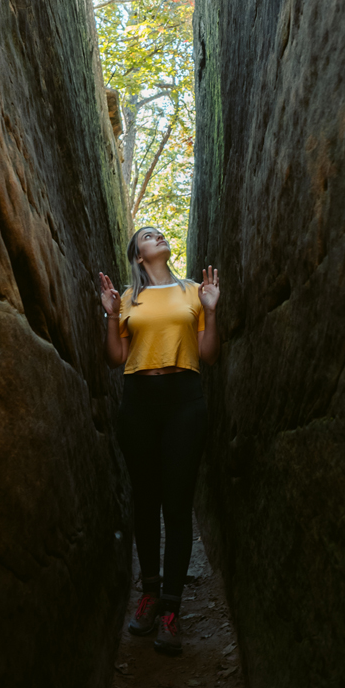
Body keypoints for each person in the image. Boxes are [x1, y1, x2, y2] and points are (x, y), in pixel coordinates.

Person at [99, 225, 220, 656]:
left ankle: (171, 607)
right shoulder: (130, 298)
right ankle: (148, 594)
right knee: (146, 501)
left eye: (159, 232)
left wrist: (212, 309)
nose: (157, 235)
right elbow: (116, 358)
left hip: (185, 401)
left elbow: (208, 354)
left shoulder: (193, 291)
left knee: (178, 503)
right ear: (138, 253)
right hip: (139, 402)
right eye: (148, 234)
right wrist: (111, 314)